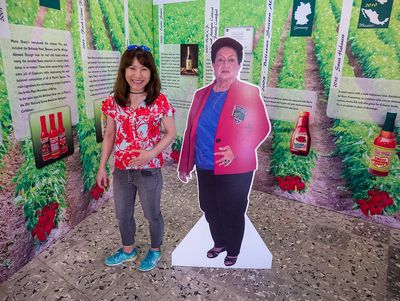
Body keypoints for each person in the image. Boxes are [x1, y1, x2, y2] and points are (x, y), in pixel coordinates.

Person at [177, 37, 270, 266]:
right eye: (220, 60)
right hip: (205, 165)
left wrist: (236, 150)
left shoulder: (248, 93)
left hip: (235, 167)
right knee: (209, 207)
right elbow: (192, 131)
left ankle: (233, 249)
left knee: (232, 209)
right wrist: (185, 164)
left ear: (239, 65)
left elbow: (262, 127)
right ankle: (219, 242)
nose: (225, 65)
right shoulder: (201, 94)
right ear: (213, 64)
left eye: (231, 60)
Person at [96, 45, 176, 272]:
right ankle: (128, 250)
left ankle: (155, 250)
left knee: (152, 214)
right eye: (132, 68)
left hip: (149, 170)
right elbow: (110, 134)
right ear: (123, 71)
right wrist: (102, 166)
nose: (137, 75)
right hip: (121, 170)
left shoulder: (159, 101)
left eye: (143, 69)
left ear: (151, 73)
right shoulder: (113, 100)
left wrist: (150, 154)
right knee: (123, 214)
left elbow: (171, 133)